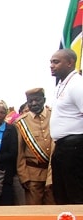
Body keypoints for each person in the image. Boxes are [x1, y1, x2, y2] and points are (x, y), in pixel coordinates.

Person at [49, 48, 83, 204]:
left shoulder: (77, 84)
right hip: (62, 146)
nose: (51, 65)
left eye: (56, 62)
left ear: (70, 63)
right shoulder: (61, 85)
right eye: (51, 62)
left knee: (75, 193)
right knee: (61, 194)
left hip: (75, 146)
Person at [14, 88, 54, 205]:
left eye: (37, 100)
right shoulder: (21, 123)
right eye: (30, 101)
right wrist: (24, 176)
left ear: (44, 100)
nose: (34, 104)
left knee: (52, 209)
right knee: (34, 211)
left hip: (52, 172)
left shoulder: (54, 116)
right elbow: (19, 153)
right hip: (32, 175)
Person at [0, 100, 18, 206]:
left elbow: (13, 152)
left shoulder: (10, 130)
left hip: (4, 173)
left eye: (2, 112)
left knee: (4, 202)